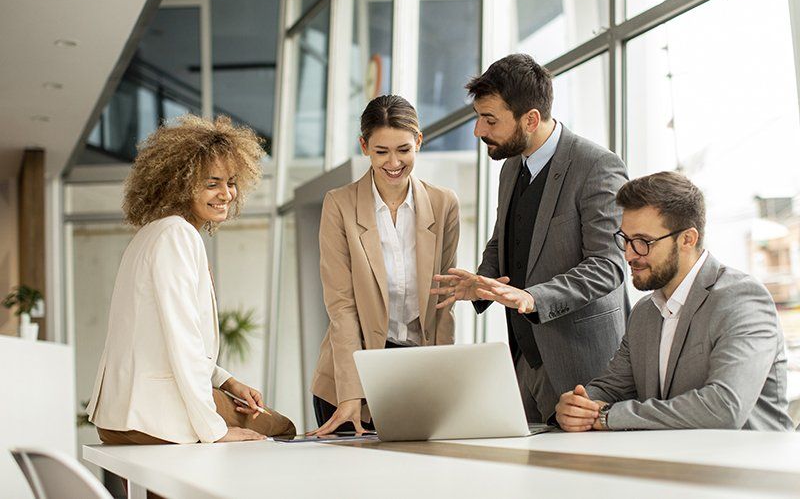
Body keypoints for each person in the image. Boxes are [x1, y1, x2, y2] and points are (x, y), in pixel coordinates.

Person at [432, 53, 629, 423]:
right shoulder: (511, 167)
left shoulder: (597, 166)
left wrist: (532, 297)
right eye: (478, 118)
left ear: (531, 119)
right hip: (525, 360)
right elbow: (504, 239)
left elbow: (609, 266)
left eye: (489, 120)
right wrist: (481, 281)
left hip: (585, 366)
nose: (478, 131)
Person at [87, 114, 296, 445]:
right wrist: (215, 430)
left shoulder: (152, 234)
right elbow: (182, 340)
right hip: (153, 416)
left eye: (231, 182)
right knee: (281, 427)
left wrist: (227, 382)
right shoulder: (177, 236)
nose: (226, 194)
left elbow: (159, 338)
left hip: (120, 416)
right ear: (179, 183)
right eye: (211, 183)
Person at [554, 171, 793, 432]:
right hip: (673, 464)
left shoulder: (742, 300)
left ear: (687, 239)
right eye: (625, 239)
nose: (629, 254)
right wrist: (578, 405)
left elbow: (724, 408)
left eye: (643, 242)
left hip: (747, 466)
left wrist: (607, 416)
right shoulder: (645, 312)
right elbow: (611, 386)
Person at [309, 95, 460, 435]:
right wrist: (351, 393)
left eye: (404, 150)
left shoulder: (443, 203)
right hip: (351, 376)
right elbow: (341, 307)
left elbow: (444, 301)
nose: (394, 162)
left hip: (415, 373)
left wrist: (444, 382)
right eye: (381, 152)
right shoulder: (340, 205)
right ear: (364, 146)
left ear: (419, 141)